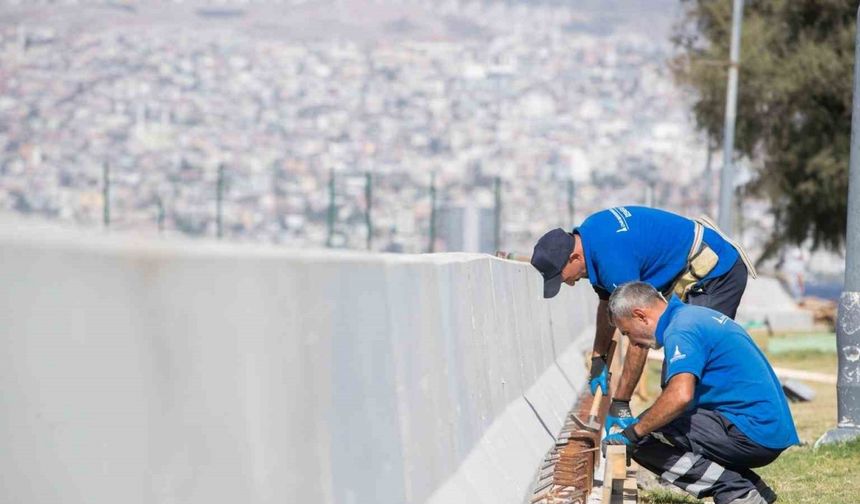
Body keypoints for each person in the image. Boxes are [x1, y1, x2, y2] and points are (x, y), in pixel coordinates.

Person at [530, 206, 756, 434]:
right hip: (692, 276)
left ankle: (724, 436)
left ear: (574, 257)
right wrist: (599, 358)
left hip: (717, 274)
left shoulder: (612, 260)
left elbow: (640, 333)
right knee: (679, 372)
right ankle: (689, 438)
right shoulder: (591, 238)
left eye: (563, 277)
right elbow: (608, 302)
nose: (569, 283)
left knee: (685, 369)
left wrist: (620, 402)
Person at [601, 282, 798, 504]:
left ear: (640, 315)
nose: (632, 341)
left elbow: (680, 395)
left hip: (754, 433)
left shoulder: (681, 330)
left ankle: (737, 492)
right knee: (651, 422)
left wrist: (631, 434)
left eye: (627, 332)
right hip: (765, 428)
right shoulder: (690, 316)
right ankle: (751, 487)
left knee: (643, 437)